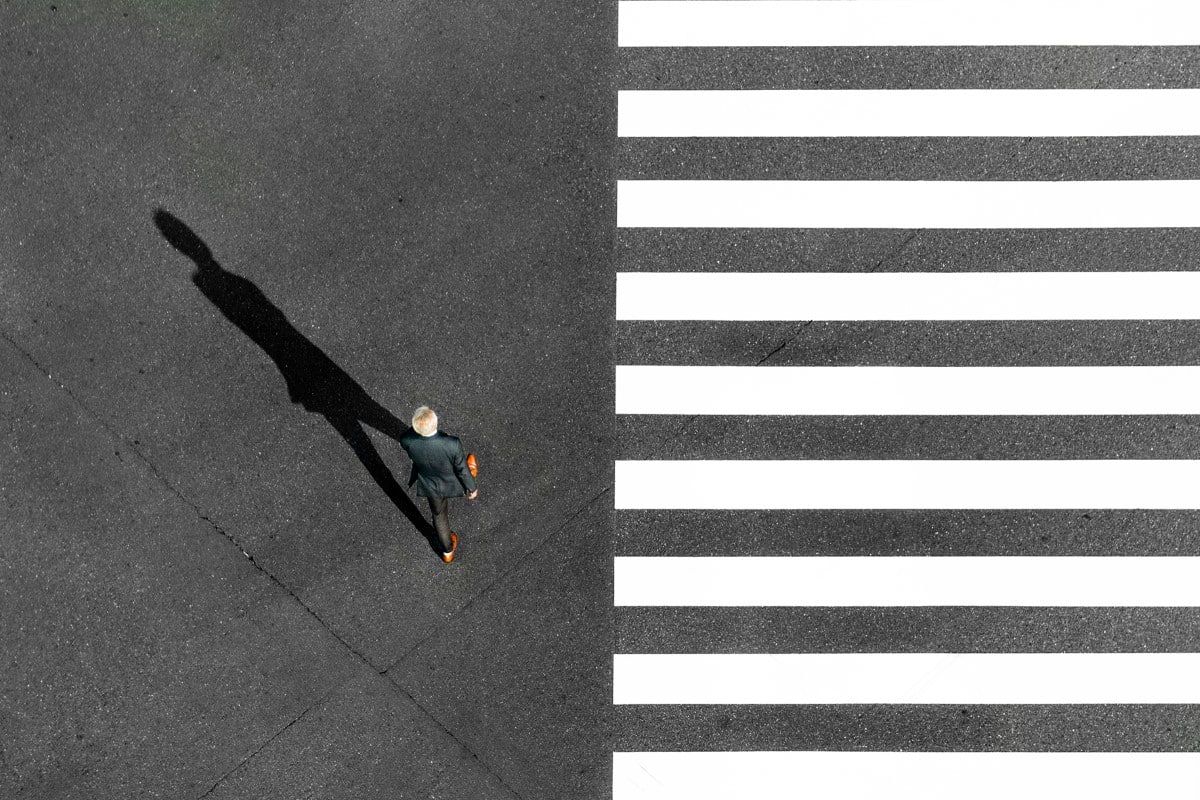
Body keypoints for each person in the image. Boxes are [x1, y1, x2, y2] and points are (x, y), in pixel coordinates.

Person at [400, 406, 478, 563]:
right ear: (436, 423)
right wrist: (472, 488)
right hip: (449, 477)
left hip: (430, 484)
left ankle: (448, 551)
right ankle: (472, 473)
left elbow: (408, 440)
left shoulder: (407, 440)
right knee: (463, 467)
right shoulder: (451, 443)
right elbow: (461, 468)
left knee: (438, 515)